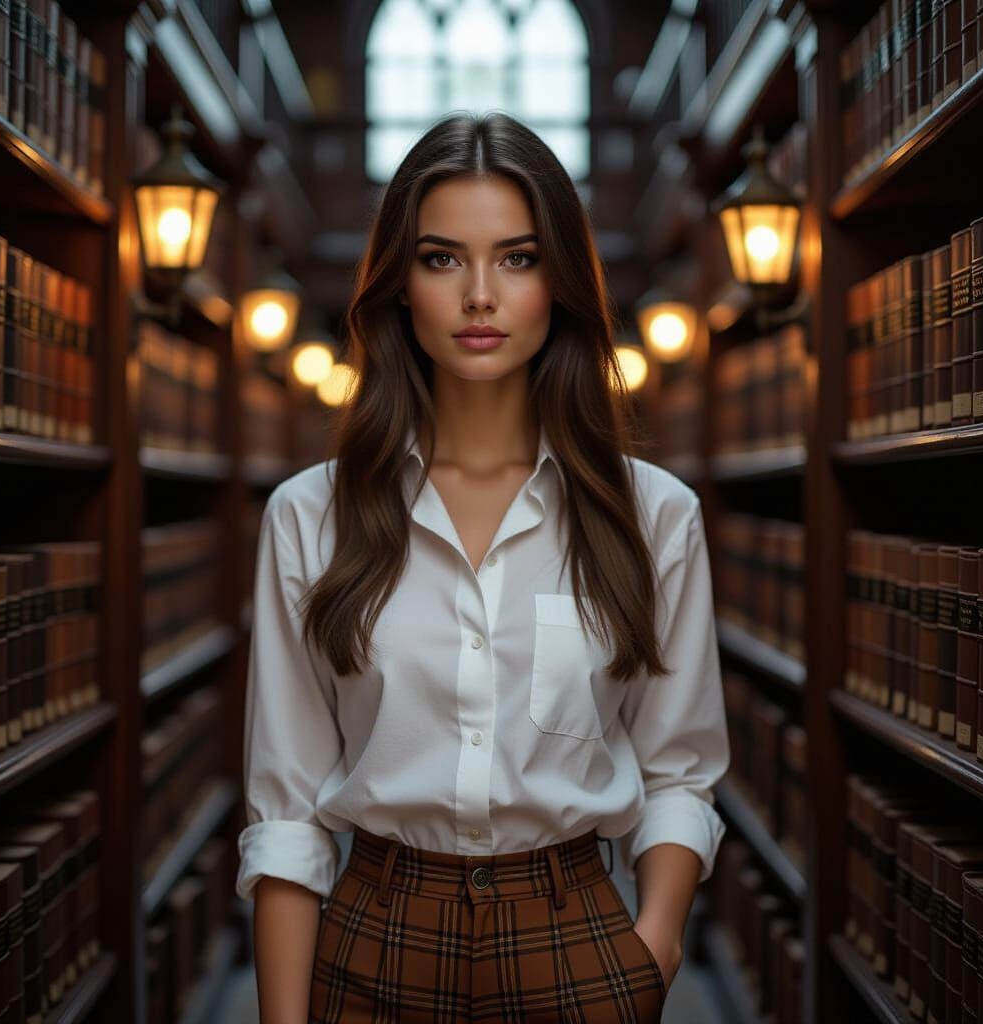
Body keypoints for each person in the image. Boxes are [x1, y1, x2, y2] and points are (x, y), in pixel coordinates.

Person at [236, 111, 730, 1024]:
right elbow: (288, 810)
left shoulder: (653, 515)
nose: (478, 295)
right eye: (439, 259)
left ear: (561, 284)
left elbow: (678, 773)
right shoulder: (309, 516)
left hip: (578, 939)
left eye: (517, 257)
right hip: (372, 939)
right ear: (397, 287)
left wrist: (647, 958)